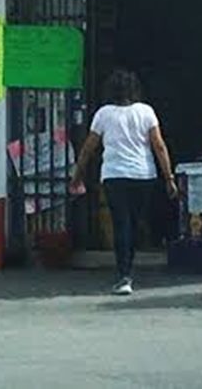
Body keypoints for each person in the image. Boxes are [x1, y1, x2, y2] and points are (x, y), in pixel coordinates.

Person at [71, 69, 177, 296]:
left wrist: (78, 174)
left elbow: (89, 148)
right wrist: (169, 177)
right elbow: (159, 145)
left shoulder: (103, 114)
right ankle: (129, 266)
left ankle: (124, 275)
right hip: (143, 175)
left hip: (114, 176)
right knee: (135, 222)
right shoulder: (146, 112)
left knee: (121, 223)